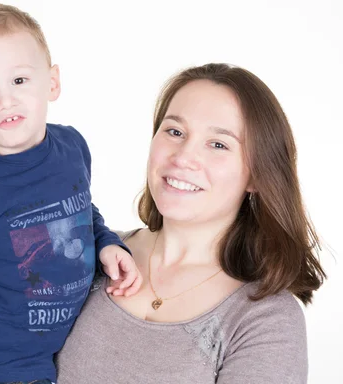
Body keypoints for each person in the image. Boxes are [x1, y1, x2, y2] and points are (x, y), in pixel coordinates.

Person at [55, 63, 326, 383]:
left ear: (256, 174)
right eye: (175, 131)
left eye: (218, 144)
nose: (183, 157)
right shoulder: (86, 251)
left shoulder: (266, 320)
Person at [0, 3, 142, 384]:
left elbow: (82, 208)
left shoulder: (71, 147)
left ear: (52, 82)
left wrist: (106, 243)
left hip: (67, 353)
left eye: (19, 80)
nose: (5, 100)